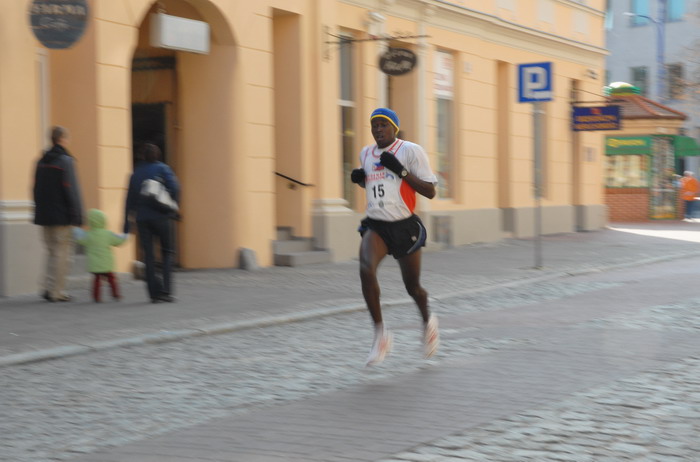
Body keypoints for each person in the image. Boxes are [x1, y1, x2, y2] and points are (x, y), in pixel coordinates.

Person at [351, 108, 440, 366]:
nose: (378, 130)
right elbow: (376, 184)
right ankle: (381, 335)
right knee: (366, 269)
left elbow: (431, 192)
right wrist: (360, 179)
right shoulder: (366, 153)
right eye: (374, 125)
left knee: (413, 288)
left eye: (383, 125)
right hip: (376, 224)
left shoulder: (411, 151)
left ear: (394, 128)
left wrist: (401, 171)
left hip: (404, 227)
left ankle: (428, 323)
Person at [123, 143, 180, 303]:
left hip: (142, 218)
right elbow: (175, 188)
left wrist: (126, 222)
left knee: (148, 255)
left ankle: (153, 293)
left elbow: (129, 200)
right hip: (162, 217)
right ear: (158, 155)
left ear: (143, 156)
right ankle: (166, 291)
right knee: (167, 252)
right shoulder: (163, 169)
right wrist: (172, 205)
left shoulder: (135, 173)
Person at [33, 126, 84, 302]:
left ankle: (47, 288)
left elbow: (35, 189)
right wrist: (78, 215)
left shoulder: (40, 161)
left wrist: (39, 210)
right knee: (62, 254)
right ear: (61, 139)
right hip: (61, 216)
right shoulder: (66, 161)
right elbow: (72, 190)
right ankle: (58, 291)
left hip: (44, 215)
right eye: (67, 138)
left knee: (50, 252)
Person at [74, 209, 128, 302]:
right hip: (107, 263)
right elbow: (118, 240)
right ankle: (115, 294)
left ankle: (96, 297)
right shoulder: (107, 234)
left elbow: (80, 239)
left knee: (96, 280)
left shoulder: (89, 235)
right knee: (112, 279)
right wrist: (126, 235)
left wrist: (76, 230)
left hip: (95, 264)